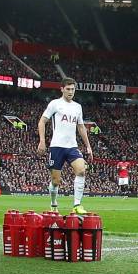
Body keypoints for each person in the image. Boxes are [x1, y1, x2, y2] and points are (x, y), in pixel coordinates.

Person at [37, 77, 93, 214]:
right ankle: (53, 203)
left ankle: (77, 205)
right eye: (68, 89)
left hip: (72, 147)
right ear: (62, 89)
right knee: (56, 181)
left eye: (72, 89)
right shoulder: (55, 104)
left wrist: (88, 146)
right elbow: (42, 122)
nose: (70, 92)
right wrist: (42, 141)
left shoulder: (77, 107)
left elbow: (81, 127)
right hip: (57, 146)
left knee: (81, 170)